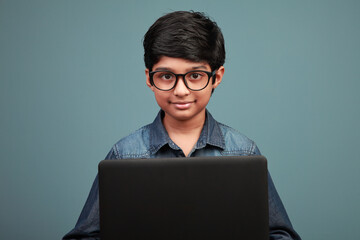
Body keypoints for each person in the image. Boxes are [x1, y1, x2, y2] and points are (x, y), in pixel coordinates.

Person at [63, 11, 301, 240]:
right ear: (149, 78)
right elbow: (84, 236)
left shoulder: (243, 151)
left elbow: (281, 234)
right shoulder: (125, 154)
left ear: (216, 78)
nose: (181, 90)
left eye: (195, 76)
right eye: (166, 76)